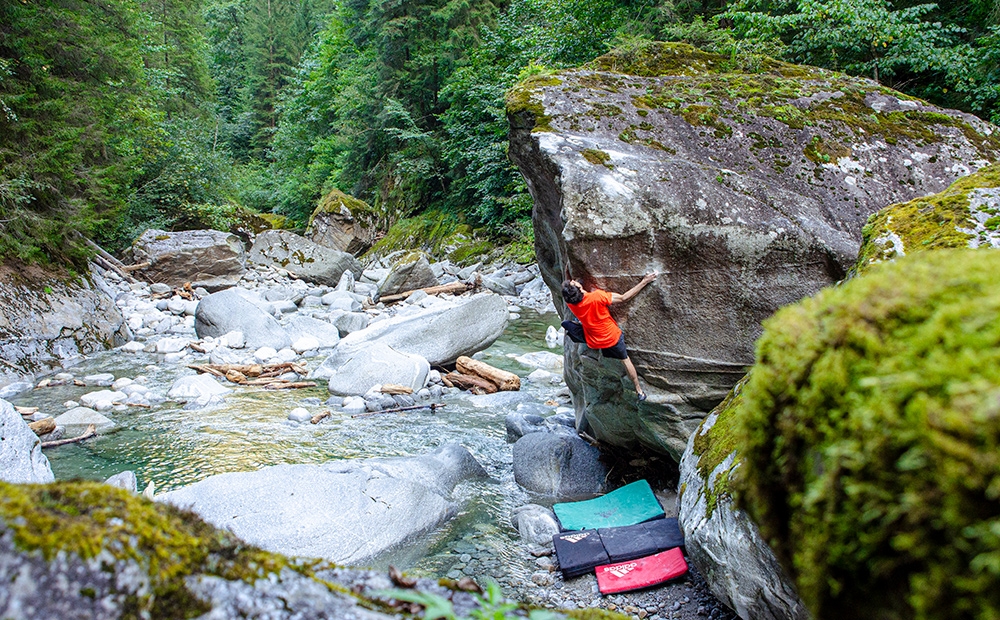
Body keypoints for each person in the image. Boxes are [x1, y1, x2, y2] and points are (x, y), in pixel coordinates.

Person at [560, 273, 657, 401]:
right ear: (579, 288)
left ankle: (579, 322)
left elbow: (571, 288)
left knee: (566, 324)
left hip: (593, 341)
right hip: (612, 338)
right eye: (573, 283)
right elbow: (623, 298)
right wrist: (645, 281)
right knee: (625, 360)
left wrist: (568, 273)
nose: (573, 281)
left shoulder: (571, 304)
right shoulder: (597, 297)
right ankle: (638, 390)